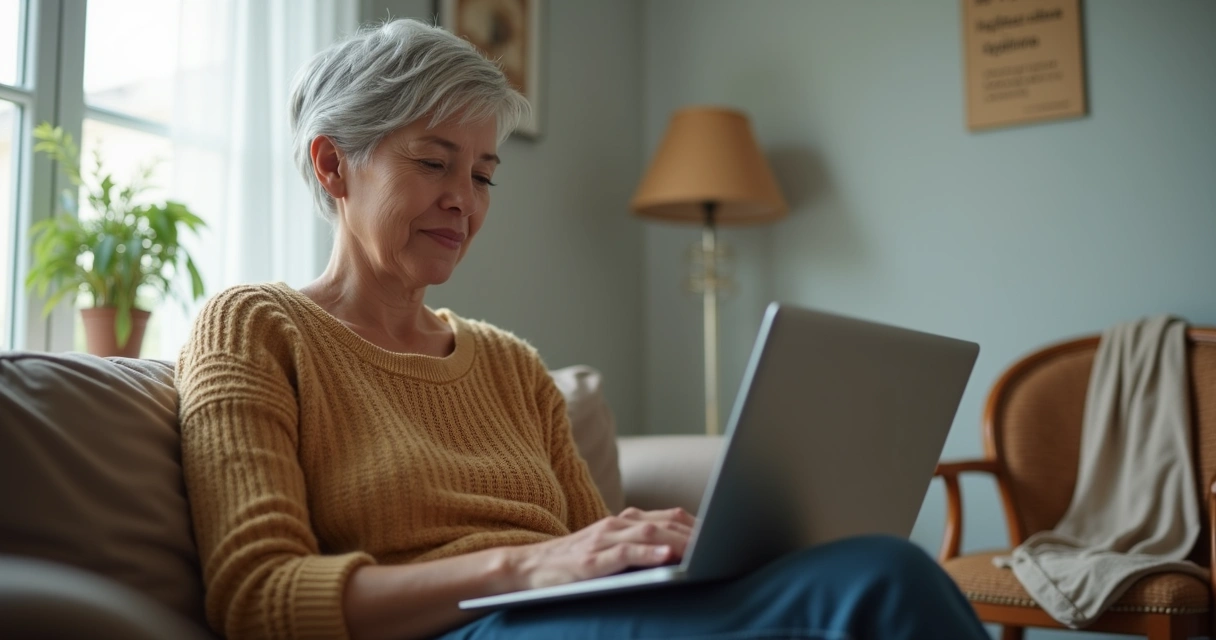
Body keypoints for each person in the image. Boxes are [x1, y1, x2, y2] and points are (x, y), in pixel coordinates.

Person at [176, 18, 989, 640]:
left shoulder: (508, 364)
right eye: (433, 162)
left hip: (565, 618)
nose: (464, 200)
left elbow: (590, 553)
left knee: (872, 569)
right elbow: (258, 598)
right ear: (332, 165)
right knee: (879, 587)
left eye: (484, 174)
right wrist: (524, 566)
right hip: (457, 631)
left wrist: (663, 551)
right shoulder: (255, 329)